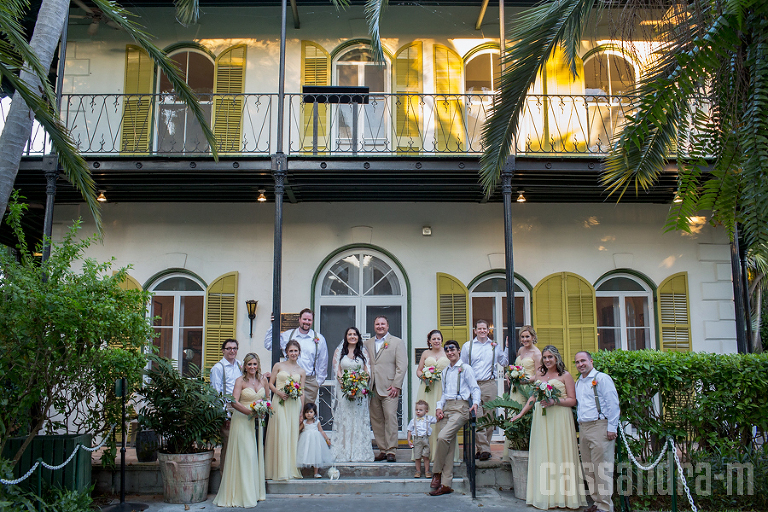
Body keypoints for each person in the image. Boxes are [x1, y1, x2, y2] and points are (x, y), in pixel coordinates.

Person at [511, 345, 586, 510]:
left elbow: (573, 400)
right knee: (543, 453)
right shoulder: (540, 374)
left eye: (550, 357)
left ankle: (563, 496)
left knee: (560, 452)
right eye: (545, 357)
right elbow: (533, 396)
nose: (547, 360)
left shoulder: (565, 375)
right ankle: (545, 496)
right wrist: (521, 413)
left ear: (556, 358)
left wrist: (555, 401)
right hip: (541, 418)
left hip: (560, 417)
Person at [213, 352, 267, 507]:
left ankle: (253, 492)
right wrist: (250, 413)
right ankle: (242, 494)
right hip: (242, 420)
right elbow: (234, 402)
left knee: (254, 455)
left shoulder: (262, 379)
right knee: (247, 455)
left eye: (254, 364)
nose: (252, 367)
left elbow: (266, 398)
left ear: (258, 365)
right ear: (244, 366)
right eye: (249, 364)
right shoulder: (240, 381)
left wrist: (263, 409)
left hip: (256, 422)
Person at [429, 339, 480, 496]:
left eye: (453, 349)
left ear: (458, 351)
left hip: (461, 408)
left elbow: (474, 388)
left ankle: (436, 472)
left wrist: (476, 403)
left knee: (443, 437)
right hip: (447, 407)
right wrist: (439, 407)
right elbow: (444, 394)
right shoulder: (445, 372)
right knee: (448, 443)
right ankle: (446, 484)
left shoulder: (466, 369)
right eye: (447, 350)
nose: (450, 352)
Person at [575, 351, 620, 512]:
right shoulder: (579, 382)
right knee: (589, 468)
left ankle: (606, 506)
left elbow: (612, 403)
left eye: (583, 361)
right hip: (584, 428)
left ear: (591, 361)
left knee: (602, 468)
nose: (580, 364)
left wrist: (612, 427)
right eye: (577, 362)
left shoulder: (601, 379)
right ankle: (596, 502)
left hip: (600, 426)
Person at [460, 319, 507, 461]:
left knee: (490, 418)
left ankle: (481, 449)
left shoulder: (494, 347)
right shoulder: (468, 346)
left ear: (488, 330)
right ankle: (485, 449)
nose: (482, 331)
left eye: (484, 329)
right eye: (479, 329)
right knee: (478, 416)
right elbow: (463, 367)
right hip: (474, 385)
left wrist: (507, 348)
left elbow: (504, 362)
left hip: (489, 384)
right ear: (475, 330)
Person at [363, 316, 407, 462]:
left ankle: (391, 450)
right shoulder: (367, 343)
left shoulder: (397, 342)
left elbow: (402, 366)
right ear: (374, 326)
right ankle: (382, 449)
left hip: (390, 388)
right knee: (376, 420)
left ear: (388, 326)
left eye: (383, 324)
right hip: (372, 387)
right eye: (377, 324)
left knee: (390, 417)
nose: (380, 326)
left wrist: (396, 385)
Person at [264, 308, 328, 405]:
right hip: (290, 379)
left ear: (312, 321)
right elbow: (268, 344)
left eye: (309, 320)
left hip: (309, 382)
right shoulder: (288, 335)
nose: (306, 322)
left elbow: (323, 362)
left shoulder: (319, 339)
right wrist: (272, 325)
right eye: (304, 319)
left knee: (306, 414)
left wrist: (317, 383)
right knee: (290, 412)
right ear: (299, 319)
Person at [332, 327, 375, 462]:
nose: (352, 336)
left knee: (358, 419)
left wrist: (359, 385)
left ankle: (359, 451)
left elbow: (367, 370)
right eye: (350, 334)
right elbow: (337, 370)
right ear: (346, 337)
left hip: (359, 391)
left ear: (358, 337)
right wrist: (345, 386)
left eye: (354, 334)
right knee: (345, 418)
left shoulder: (363, 352)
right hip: (344, 390)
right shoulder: (340, 351)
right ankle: (343, 451)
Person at [265, 340, 306, 480]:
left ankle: (290, 468)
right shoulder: (278, 365)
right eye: (291, 351)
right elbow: (270, 383)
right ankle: (278, 469)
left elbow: (302, 391)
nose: (293, 353)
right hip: (280, 402)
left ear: (299, 352)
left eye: (296, 351)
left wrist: (302, 411)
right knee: (281, 433)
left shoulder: (301, 371)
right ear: (286, 352)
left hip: (294, 405)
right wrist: (278, 392)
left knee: (291, 434)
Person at [415, 330, 451, 459]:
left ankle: (440, 453)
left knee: (441, 418)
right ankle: (424, 452)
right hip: (427, 388)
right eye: (434, 339)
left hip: (442, 387)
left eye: (438, 338)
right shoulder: (426, 353)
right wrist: (424, 376)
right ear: (429, 341)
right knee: (425, 416)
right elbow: (418, 370)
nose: (436, 341)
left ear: (442, 340)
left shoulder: (446, 352)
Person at [210, 338, 242, 472]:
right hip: (227, 408)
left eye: (234, 348)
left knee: (239, 445)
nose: (232, 351)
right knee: (228, 445)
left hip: (240, 407)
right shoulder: (218, 368)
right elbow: (216, 393)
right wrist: (225, 415)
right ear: (223, 350)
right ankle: (225, 476)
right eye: (229, 348)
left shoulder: (239, 365)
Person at [296, 402, 334, 478]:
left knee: (316, 455)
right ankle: (302, 472)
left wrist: (327, 439)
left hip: (315, 441)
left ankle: (316, 472)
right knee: (305, 453)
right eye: (307, 412)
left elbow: (321, 431)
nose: (309, 414)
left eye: (311, 412)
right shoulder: (304, 422)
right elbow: (298, 430)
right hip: (306, 441)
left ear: (314, 413)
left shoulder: (317, 422)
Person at [406, 400, 436, 478]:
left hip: (425, 439)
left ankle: (427, 471)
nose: (418, 411)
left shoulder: (428, 418)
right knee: (417, 456)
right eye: (417, 410)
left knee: (426, 456)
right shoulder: (413, 421)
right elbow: (409, 430)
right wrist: (409, 440)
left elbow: (437, 420)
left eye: (420, 410)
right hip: (417, 440)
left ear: (426, 411)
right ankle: (418, 471)